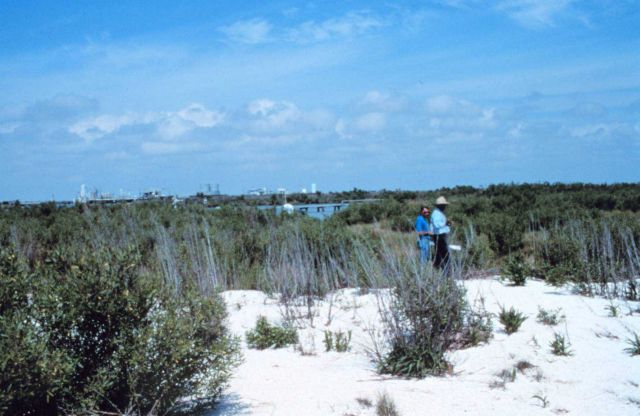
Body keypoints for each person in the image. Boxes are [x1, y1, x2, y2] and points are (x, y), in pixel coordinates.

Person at [431, 196, 452, 273]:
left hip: (441, 236)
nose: (445, 207)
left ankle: (438, 271)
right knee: (445, 255)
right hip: (439, 237)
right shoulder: (436, 213)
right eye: (444, 205)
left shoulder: (439, 213)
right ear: (440, 205)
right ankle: (446, 273)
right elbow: (437, 225)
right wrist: (445, 223)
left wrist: (447, 224)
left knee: (439, 255)